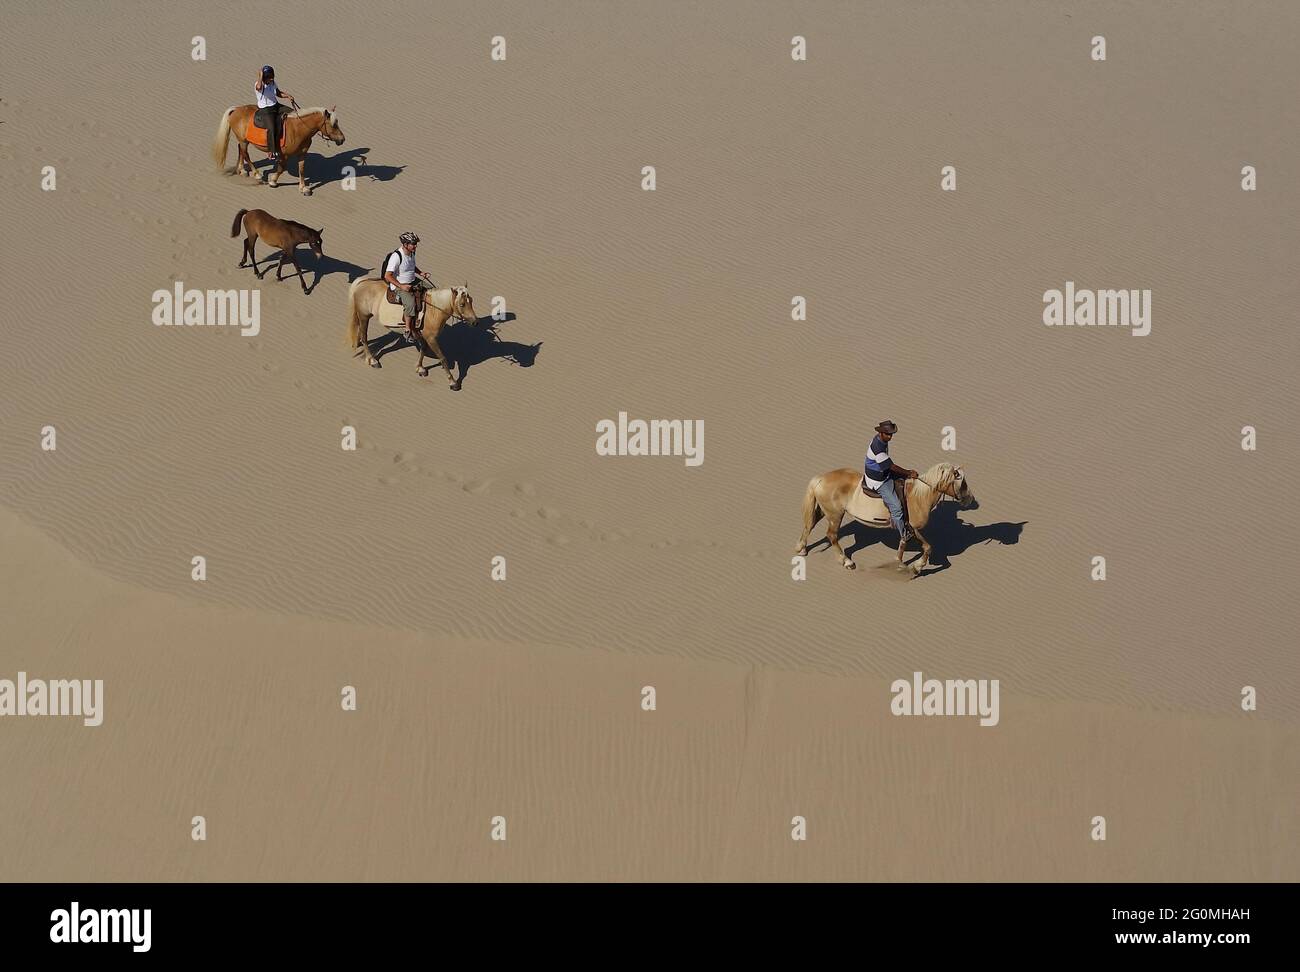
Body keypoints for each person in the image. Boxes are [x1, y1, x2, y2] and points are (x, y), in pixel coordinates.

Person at [863, 420, 918, 541]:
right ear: (881, 433)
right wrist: (909, 472)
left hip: (884, 471)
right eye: (888, 434)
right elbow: (891, 466)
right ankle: (904, 533)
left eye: (891, 434)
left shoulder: (882, 440)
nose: (890, 436)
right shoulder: (878, 447)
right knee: (897, 508)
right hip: (878, 480)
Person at [383, 232, 437, 346]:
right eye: (413, 244)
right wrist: (401, 286)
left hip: (413, 280)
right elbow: (387, 276)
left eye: (416, 244)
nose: (416, 246)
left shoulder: (412, 253)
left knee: (432, 290)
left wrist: (421, 273)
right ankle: (408, 330)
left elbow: (411, 266)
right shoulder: (396, 256)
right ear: (405, 244)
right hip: (400, 285)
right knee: (410, 304)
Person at [254, 65, 294, 161]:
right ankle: (272, 151)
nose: (271, 79)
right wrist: (260, 76)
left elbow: (278, 93)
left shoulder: (272, 83)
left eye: (272, 77)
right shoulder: (259, 84)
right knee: (272, 128)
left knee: (293, 113)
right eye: (269, 77)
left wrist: (288, 96)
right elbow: (259, 87)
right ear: (264, 77)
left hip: (275, 105)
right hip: (266, 110)